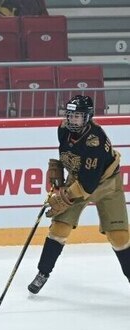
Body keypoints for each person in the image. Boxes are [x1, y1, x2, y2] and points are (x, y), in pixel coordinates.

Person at [28, 95, 129, 294]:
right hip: (77, 180)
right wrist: (58, 179)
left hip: (107, 185)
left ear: (88, 117)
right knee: (59, 228)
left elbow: (88, 185)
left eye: (78, 117)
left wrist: (63, 198)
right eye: (71, 115)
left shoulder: (95, 141)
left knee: (119, 236)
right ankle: (43, 273)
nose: (73, 120)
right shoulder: (63, 128)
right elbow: (68, 155)